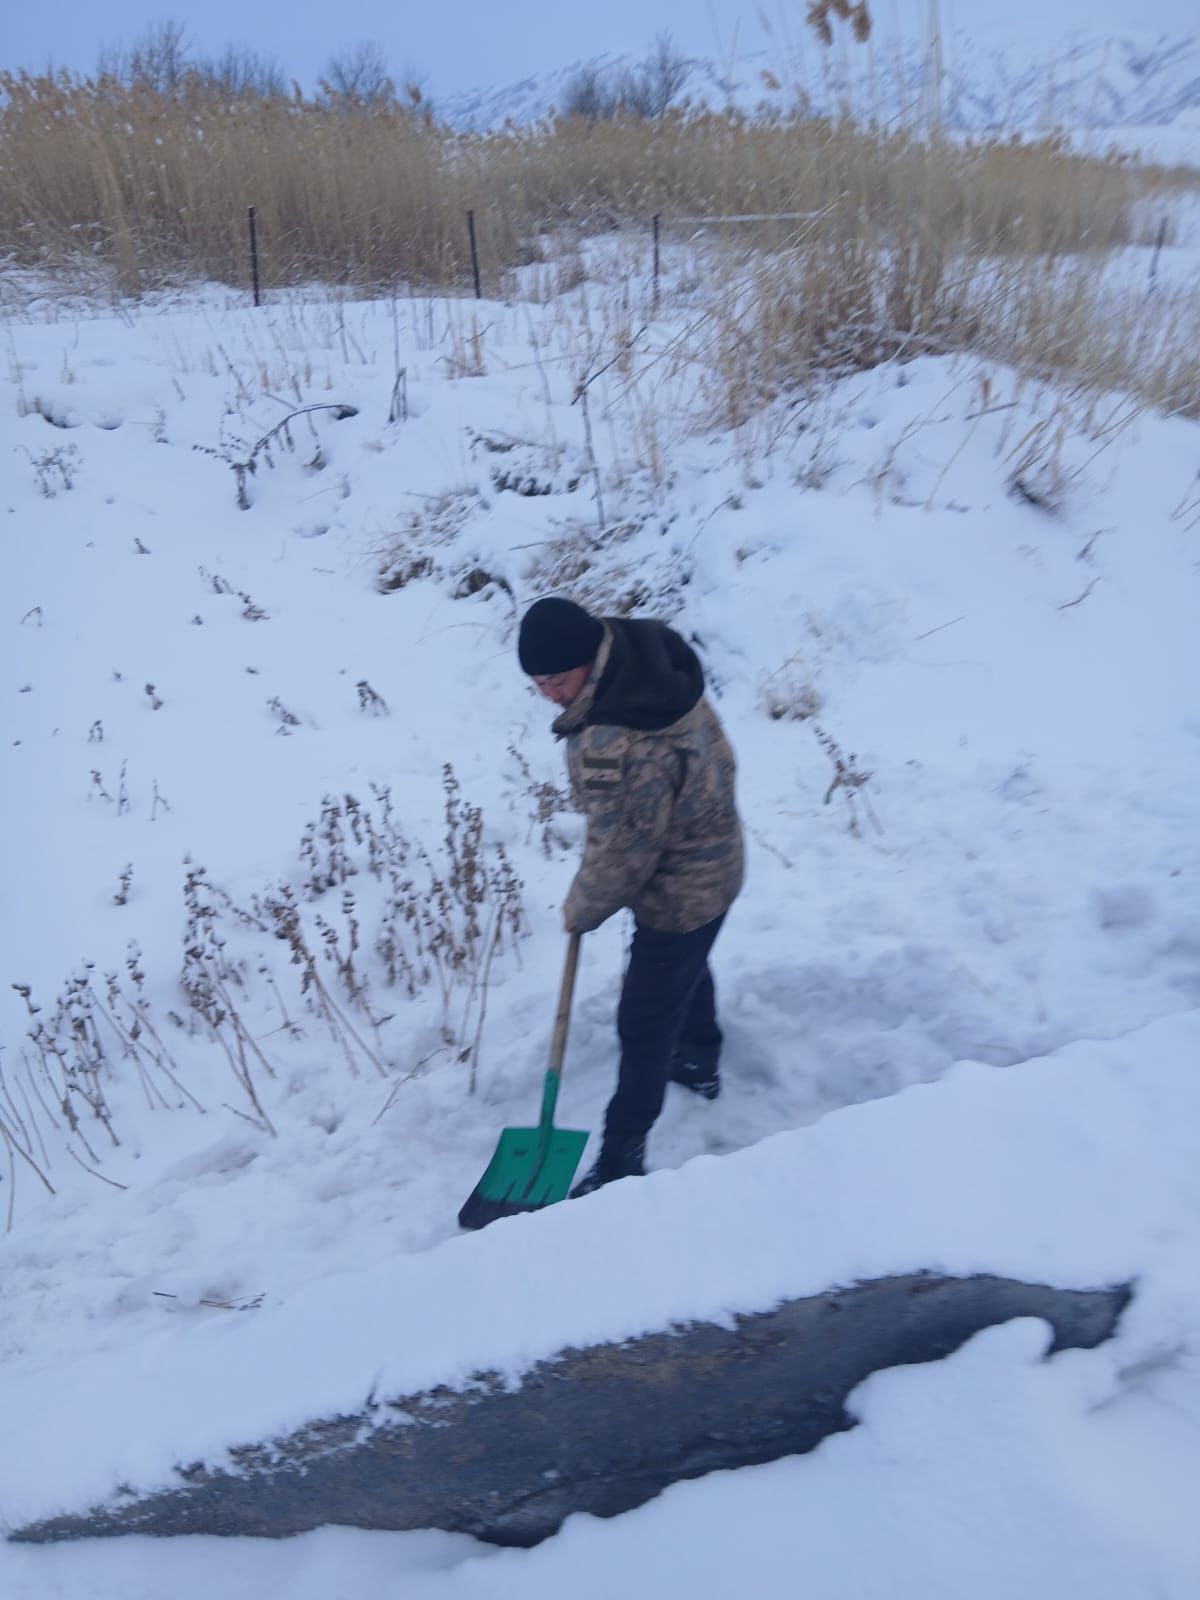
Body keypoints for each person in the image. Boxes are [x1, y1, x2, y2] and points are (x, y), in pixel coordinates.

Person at [517, 595, 744, 1196]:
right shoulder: (642, 655)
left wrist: (582, 905)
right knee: (687, 964)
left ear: (586, 658)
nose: (550, 695)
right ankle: (697, 1055)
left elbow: (625, 855)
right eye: (537, 684)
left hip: (682, 884)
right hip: (718, 852)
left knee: (643, 1020)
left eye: (556, 681)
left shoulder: (615, 742)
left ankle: (622, 1155)